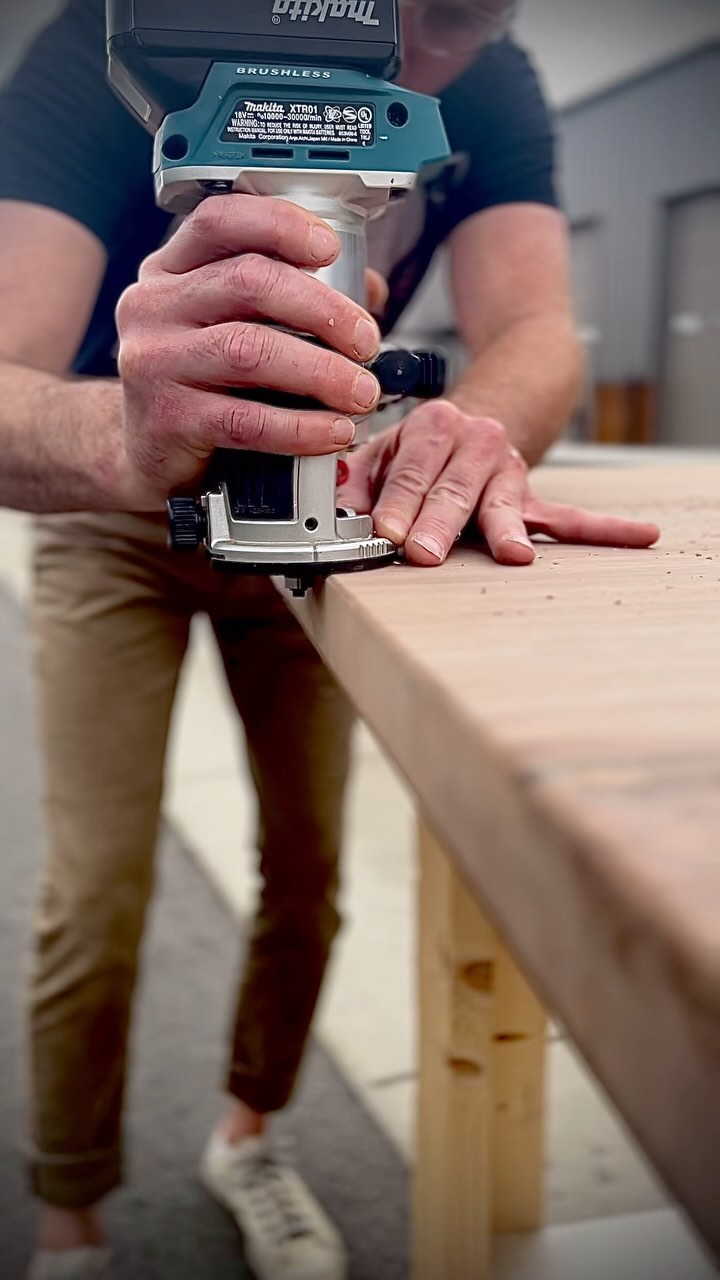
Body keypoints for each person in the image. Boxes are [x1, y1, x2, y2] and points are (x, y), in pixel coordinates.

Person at [0, 2, 660, 1278]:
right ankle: (70, 1218)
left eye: (462, 27)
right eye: (403, 18)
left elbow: (536, 328)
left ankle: (249, 1137)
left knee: (306, 871)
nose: (418, 64)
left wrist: (473, 424)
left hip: (320, 501)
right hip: (109, 500)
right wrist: (127, 441)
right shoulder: (116, 39)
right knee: (95, 893)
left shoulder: (501, 81)